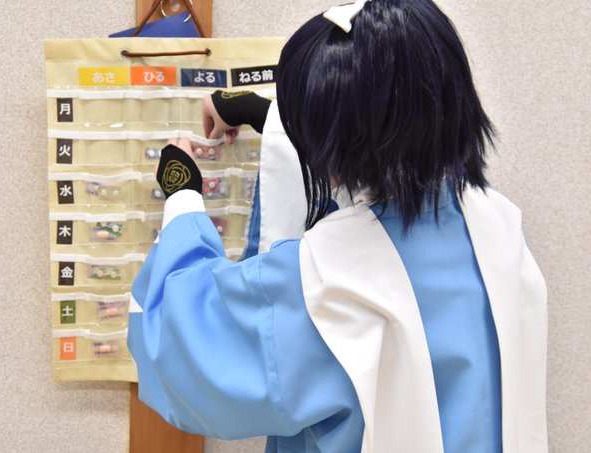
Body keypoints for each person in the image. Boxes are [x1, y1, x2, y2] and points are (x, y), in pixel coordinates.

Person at [127, 1, 548, 452]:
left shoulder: (327, 280)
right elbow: (385, 159)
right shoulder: (498, 226)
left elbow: (185, 344)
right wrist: (269, 119)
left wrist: (183, 197)